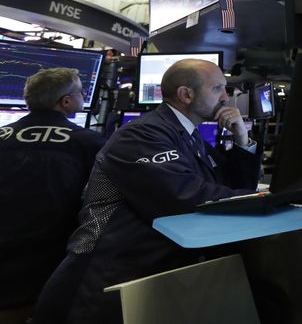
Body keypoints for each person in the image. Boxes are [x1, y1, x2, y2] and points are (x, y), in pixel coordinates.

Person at [33, 58, 261, 324]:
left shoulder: (186, 133)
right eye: (217, 88)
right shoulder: (143, 134)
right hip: (108, 279)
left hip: (150, 269)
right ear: (186, 95)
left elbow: (230, 184)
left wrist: (242, 140)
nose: (226, 97)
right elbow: (185, 197)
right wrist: (264, 201)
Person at [0, 68, 105, 324]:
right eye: (80, 91)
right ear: (66, 101)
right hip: (46, 261)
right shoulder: (87, 142)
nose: (83, 96)